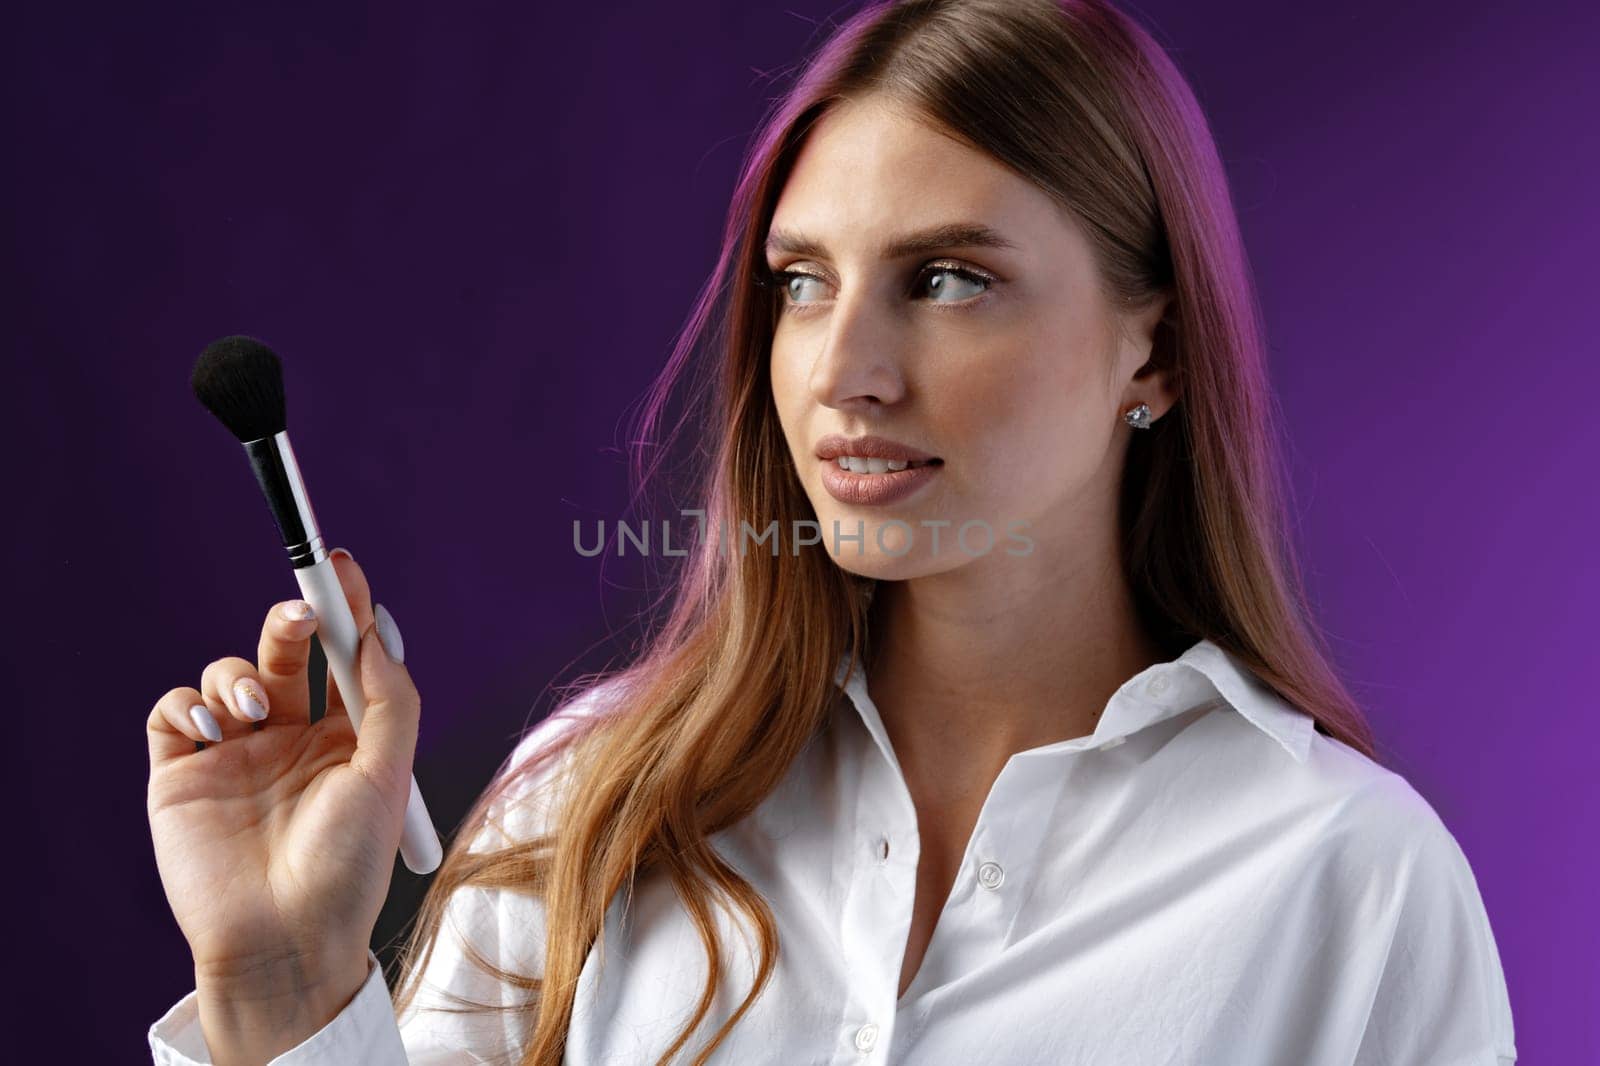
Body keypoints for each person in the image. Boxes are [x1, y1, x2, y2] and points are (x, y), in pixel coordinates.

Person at [146, 0, 1517, 1063]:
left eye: (948, 278)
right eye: (802, 282)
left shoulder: (1352, 884)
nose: (842, 368)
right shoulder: (594, 800)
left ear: (1152, 352)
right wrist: (280, 987)